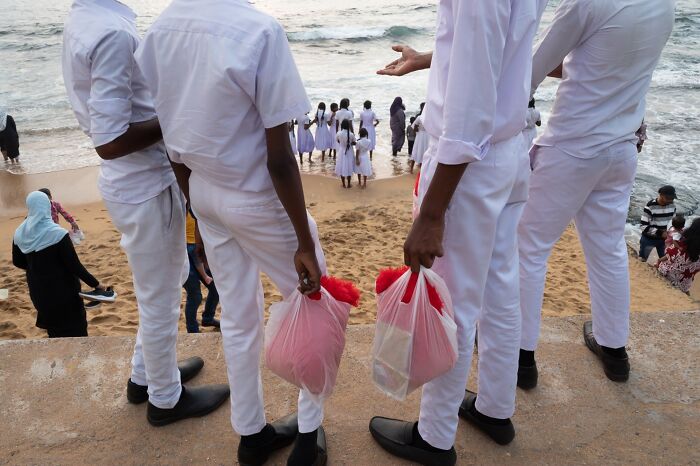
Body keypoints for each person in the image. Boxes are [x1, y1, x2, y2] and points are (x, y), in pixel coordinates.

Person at [136, 0, 330, 463]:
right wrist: (303, 241)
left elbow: (170, 136)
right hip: (257, 197)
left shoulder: (160, 30)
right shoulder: (260, 31)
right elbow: (280, 157)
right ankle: (308, 438)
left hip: (204, 190)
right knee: (317, 305)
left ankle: (251, 434)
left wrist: (196, 213)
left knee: (240, 318)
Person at [370, 0, 543, 462]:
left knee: (455, 304)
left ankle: (435, 437)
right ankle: (494, 408)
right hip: (508, 150)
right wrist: (432, 57)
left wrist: (432, 212)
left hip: (469, 167)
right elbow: (501, 54)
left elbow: (467, 116)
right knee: (501, 289)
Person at [62, 0, 229, 426]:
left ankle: (147, 377)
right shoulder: (112, 31)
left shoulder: (89, 18)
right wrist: (175, 115)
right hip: (144, 185)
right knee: (160, 298)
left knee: (163, 285)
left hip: (130, 183)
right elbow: (110, 138)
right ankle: (166, 399)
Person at [517, 0, 675, 390]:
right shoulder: (665, 6)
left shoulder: (585, 3)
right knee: (607, 248)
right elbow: (611, 64)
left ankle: (521, 358)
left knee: (529, 248)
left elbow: (530, 70)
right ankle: (614, 349)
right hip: (621, 147)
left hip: (572, 148)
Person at [12, 191, 114, 338]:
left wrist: (38, 269)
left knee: (54, 333)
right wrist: (96, 285)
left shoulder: (20, 232)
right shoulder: (57, 233)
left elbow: (18, 261)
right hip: (64, 292)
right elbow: (74, 265)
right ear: (47, 206)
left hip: (40, 292)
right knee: (76, 333)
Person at [183, 211, 220, 333]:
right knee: (195, 295)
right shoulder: (178, 201)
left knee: (216, 289)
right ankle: (192, 330)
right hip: (183, 251)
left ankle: (208, 318)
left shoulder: (195, 201)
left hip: (199, 249)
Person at [657, 217, 700, 294]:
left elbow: (668, 253)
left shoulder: (680, 246)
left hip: (666, 275)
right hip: (682, 285)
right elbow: (695, 271)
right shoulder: (697, 256)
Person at [640, 185, 677, 261]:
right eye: (668, 198)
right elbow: (643, 226)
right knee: (643, 260)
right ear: (660, 195)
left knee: (665, 260)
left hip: (665, 240)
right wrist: (660, 233)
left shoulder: (672, 206)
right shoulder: (650, 206)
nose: (670, 200)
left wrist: (672, 234)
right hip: (649, 239)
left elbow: (672, 223)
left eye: (672, 198)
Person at [336, 119, 356, 189]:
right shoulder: (351, 134)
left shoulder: (338, 133)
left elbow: (338, 141)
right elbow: (354, 142)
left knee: (342, 167)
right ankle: (349, 184)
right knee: (349, 166)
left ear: (341, 126)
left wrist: (343, 143)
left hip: (341, 151)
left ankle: (343, 184)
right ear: (348, 126)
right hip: (349, 151)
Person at [411, 103, 428, 169]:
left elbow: (414, 126)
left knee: (416, 150)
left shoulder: (419, 117)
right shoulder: (430, 118)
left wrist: (417, 131)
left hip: (420, 136)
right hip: (428, 136)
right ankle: (423, 169)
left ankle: (411, 169)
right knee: (425, 150)